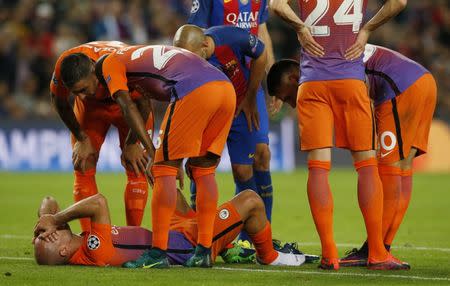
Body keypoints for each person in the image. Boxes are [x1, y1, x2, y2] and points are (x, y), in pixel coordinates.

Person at [269, 0, 408, 270]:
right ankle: (377, 253)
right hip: (350, 80)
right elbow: (399, 2)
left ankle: (329, 255)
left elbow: (275, 5)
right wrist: (367, 29)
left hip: (312, 84)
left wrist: (300, 27)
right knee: (367, 166)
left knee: (318, 169)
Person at [91, 44, 237, 268]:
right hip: (226, 89)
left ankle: (158, 253)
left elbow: (127, 106)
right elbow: (144, 103)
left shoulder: (110, 62)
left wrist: (154, 154)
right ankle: (204, 251)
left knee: (162, 169)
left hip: (194, 89)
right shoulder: (137, 56)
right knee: (203, 170)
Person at [339, 44, 437, 267]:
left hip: (399, 87)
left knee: (388, 169)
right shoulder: (342, 45)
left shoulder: (327, 64)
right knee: (404, 167)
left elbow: (357, 91)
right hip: (424, 80)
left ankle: (375, 251)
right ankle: (382, 247)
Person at [33, 191, 306, 267]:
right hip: (192, 245)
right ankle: (268, 256)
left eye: (44, 235)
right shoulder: (95, 251)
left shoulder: (75, 241)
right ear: (64, 252)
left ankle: (231, 245)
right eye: (51, 240)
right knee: (251, 200)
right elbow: (98, 202)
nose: (50, 233)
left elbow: (49, 201)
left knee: (164, 180)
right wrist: (54, 221)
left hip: (170, 231)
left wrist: (45, 221)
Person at [173, 24, 269, 235]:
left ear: (205, 44)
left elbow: (261, 54)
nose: (190, 64)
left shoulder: (229, 38)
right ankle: (199, 230)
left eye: (193, 57)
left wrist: (251, 97)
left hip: (240, 105)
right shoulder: (185, 62)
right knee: (198, 166)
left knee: (244, 170)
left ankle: (253, 236)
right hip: (209, 112)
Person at [188, 0, 277, 224]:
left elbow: (262, 30)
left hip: (250, 84)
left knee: (261, 154)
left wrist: (272, 80)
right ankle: (196, 226)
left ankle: (260, 231)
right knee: (203, 157)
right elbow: (195, 38)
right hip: (215, 83)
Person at [51, 41, 153, 230]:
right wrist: (81, 138)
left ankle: (133, 235)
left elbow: (143, 105)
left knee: (136, 165)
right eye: (76, 93)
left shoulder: (124, 64)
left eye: (82, 90)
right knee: (83, 162)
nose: (80, 96)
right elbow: (59, 101)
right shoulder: (63, 66)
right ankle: (91, 237)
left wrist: (132, 143)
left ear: (93, 71)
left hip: (128, 107)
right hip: (91, 111)